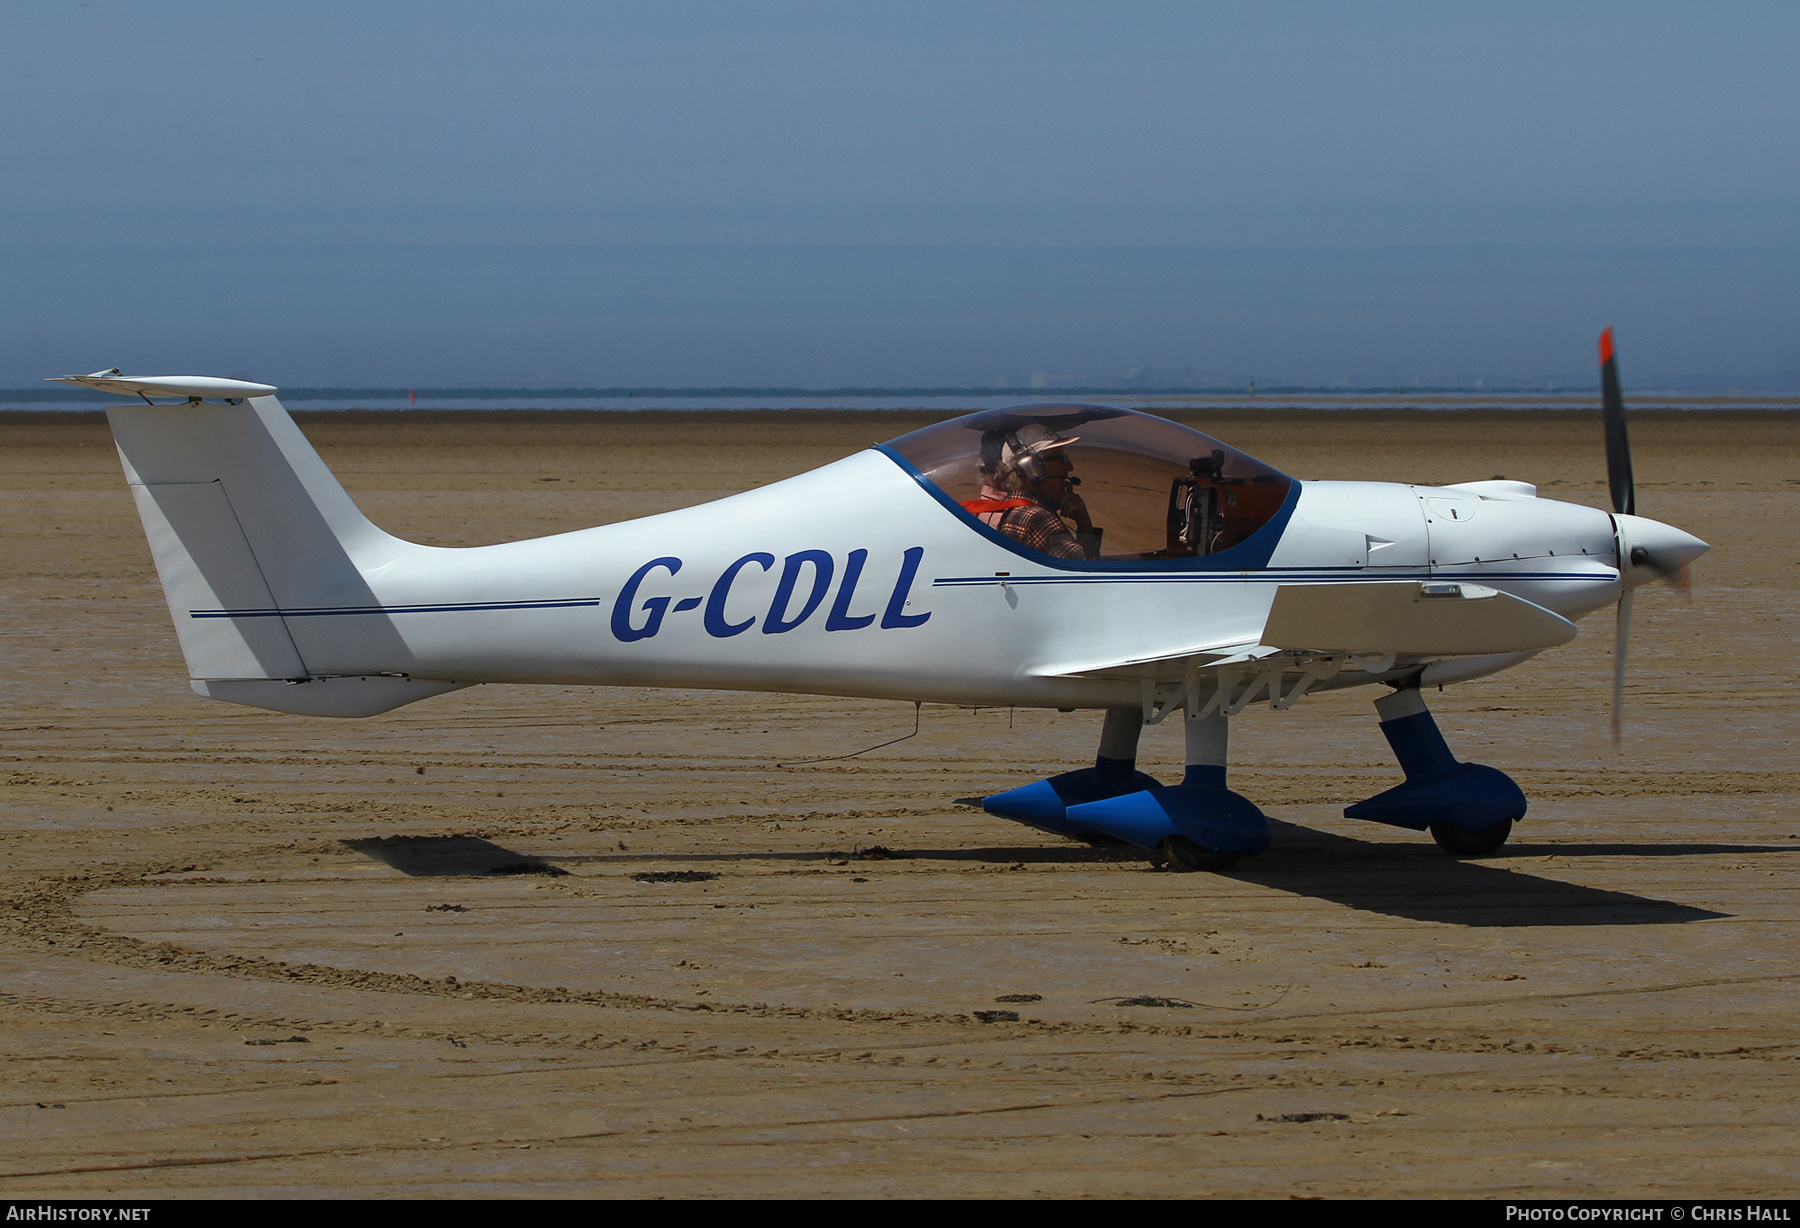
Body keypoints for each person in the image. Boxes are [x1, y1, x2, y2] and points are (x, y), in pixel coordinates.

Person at [961, 424, 1102, 560]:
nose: (1069, 467)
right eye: (1060, 459)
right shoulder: (1038, 519)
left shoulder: (1006, 511)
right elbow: (1087, 577)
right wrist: (1085, 526)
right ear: (1030, 469)